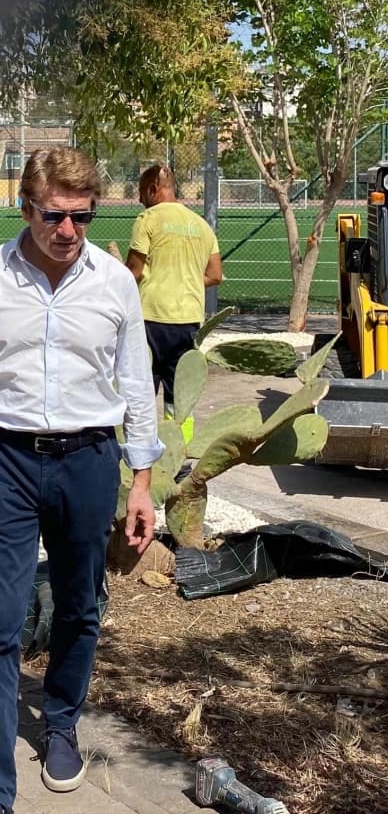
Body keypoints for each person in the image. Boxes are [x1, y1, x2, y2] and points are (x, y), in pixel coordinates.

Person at [0, 147, 163, 812]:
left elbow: (135, 381)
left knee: (79, 606)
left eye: (83, 217)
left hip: (90, 459)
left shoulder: (113, 282)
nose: (68, 231)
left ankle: (62, 721)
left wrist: (144, 482)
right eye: (54, 216)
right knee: (4, 619)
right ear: (26, 206)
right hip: (6, 456)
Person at [124, 164, 222, 436]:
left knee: (140, 392)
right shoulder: (201, 225)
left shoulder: (148, 219)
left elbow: (133, 271)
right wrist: (185, 278)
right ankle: (178, 455)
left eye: (142, 192)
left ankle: (138, 453)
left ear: (154, 189)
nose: (140, 199)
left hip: (150, 319)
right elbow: (215, 275)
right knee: (179, 393)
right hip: (188, 320)